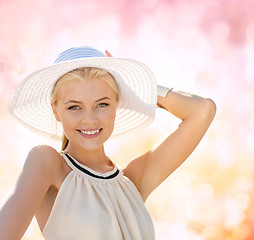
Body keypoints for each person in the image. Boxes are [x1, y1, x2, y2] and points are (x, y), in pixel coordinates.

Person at [0, 46, 216, 240]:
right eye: (74, 107)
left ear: (117, 102)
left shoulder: (133, 181)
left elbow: (202, 110)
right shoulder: (47, 162)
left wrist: (137, 88)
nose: (90, 119)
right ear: (55, 110)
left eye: (102, 104)